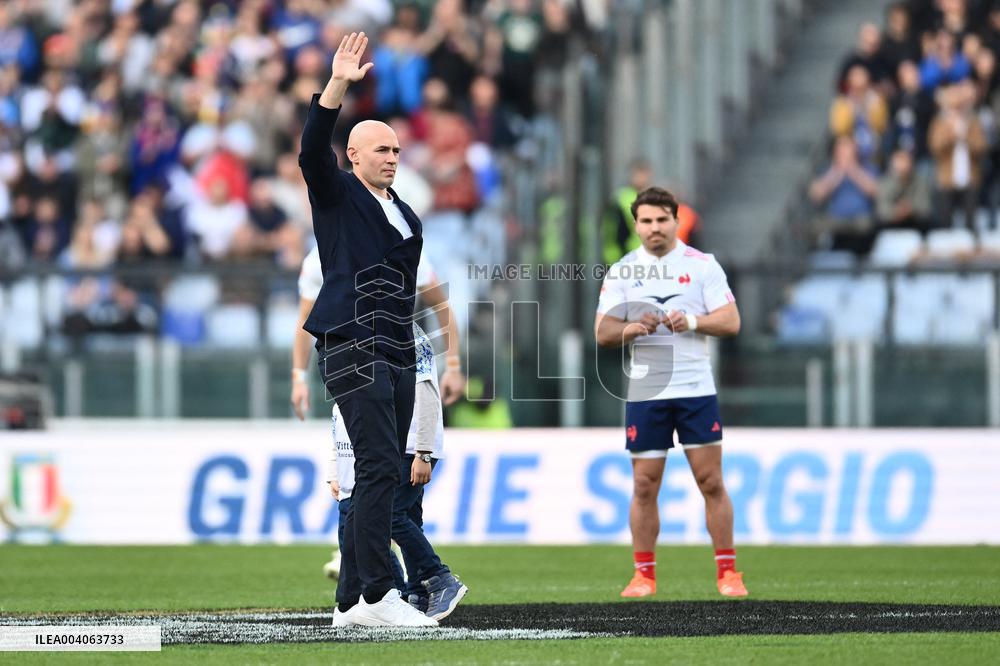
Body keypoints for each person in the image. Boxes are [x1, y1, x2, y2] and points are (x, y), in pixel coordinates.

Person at [297, 31, 435, 629]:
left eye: (397, 150)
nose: (391, 157)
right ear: (353, 155)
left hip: (395, 347)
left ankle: (351, 600)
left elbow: (407, 293)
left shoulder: (405, 212)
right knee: (379, 466)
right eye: (380, 149)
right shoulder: (337, 196)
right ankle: (381, 594)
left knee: (380, 468)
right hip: (351, 344)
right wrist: (336, 86)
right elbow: (309, 154)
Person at [594, 186, 747, 600]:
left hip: (695, 388)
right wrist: (632, 328)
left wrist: (693, 323)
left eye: (662, 220)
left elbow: (731, 321)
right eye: (646, 221)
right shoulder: (622, 270)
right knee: (644, 484)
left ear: (676, 221)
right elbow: (602, 332)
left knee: (710, 480)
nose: (654, 228)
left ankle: (728, 573)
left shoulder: (702, 266)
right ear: (636, 225)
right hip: (647, 392)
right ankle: (644, 576)